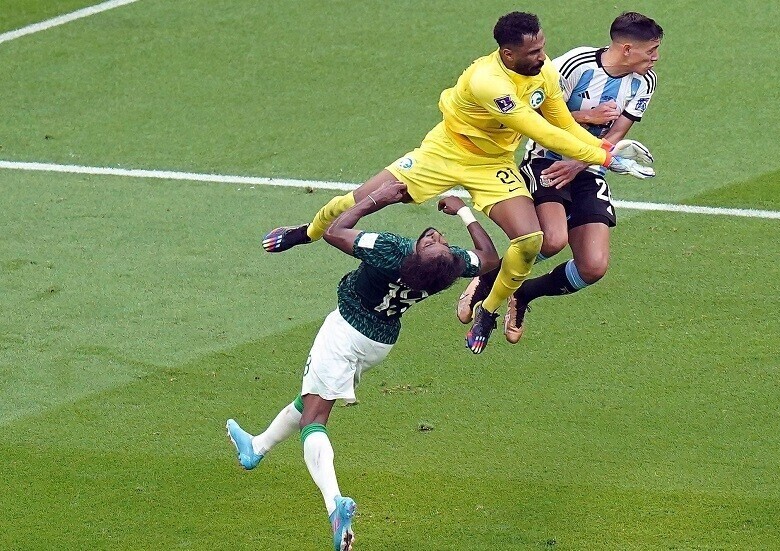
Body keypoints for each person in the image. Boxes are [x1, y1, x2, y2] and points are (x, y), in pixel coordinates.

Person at [260, 11, 654, 354]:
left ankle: (488, 310)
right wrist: (604, 155)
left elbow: (562, 121)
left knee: (531, 240)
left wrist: (598, 148)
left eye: (542, 47)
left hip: (492, 163)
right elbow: (537, 129)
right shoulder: (487, 82)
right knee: (357, 201)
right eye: (533, 52)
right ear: (507, 54)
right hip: (445, 152)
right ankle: (306, 233)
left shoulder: (544, 70)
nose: (542, 57)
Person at [227, 181, 499, 551]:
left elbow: (334, 231)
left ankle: (334, 506)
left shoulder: (390, 252)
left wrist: (376, 199)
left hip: (346, 331)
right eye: (438, 242)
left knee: (314, 418)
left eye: (433, 243)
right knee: (312, 396)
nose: (436, 236)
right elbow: (491, 258)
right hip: (379, 342)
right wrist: (465, 211)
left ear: (419, 257)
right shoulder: (448, 268)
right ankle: (256, 448)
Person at [457, 12, 664, 344]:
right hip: (546, 161)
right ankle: (487, 280)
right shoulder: (574, 65)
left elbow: (616, 133)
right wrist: (583, 116)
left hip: (586, 167)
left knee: (593, 267)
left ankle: (522, 295)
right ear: (626, 49)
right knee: (552, 240)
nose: (655, 57)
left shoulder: (645, 81)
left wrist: (580, 163)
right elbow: (531, 110)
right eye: (651, 50)